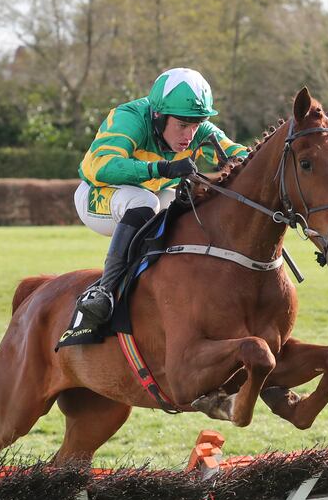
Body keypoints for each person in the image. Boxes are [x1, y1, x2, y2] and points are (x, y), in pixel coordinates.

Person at [74, 67, 248, 327]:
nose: (189, 135)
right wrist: (161, 168)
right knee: (145, 202)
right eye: (182, 126)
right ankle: (104, 292)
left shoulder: (198, 130)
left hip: (151, 196)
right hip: (98, 195)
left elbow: (242, 156)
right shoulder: (129, 117)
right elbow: (102, 166)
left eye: (196, 125)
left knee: (192, 206)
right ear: (158, 115)